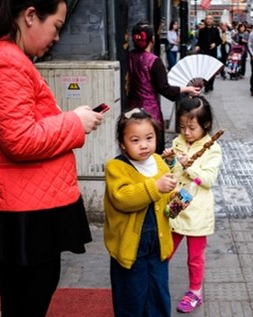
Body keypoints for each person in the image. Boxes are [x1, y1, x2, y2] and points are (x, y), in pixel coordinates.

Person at [0, 1, 104, 316]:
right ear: (30, 16)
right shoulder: (7, 62)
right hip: (28, 210)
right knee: (29, 300)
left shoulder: (11, 58)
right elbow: (19, 139)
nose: (57, 37)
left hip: (30, 204)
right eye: (56, 26)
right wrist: (74, 121)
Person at [103, 108, 178, 316]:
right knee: (131, 297)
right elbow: (122, 198)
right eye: (135, 140)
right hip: (131, 249)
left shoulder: (160, 162)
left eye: (149, 138)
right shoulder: (116, 167)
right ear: (122, 143)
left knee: (159, 293)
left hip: (158, 245)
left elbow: (165, 195)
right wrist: (156, 187)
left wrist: (175, 200)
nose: (144, 145)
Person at [162, 96, 222, 313]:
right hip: (178, 204)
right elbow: (172, 173)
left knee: (195, 257)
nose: (186, 132)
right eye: (182, 127)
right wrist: (169, 160)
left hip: (198, 209)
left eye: (191, 127)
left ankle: (195, 291)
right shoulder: (178, 141)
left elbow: (208, 180)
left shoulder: (212, 149)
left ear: (205, 125)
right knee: (165, 250)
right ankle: (156, 283)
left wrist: (190, 167)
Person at [128, 22, 200, 154]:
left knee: (135, 149)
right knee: (154, 151)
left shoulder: (128, 57)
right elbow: (165, 89)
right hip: (151, 113)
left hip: (131, 111)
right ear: (153, 39)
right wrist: (186, 89)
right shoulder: (154, 61)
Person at [195, 15, 222, 93]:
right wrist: (198, 47)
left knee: (212, 70)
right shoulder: (202, 30)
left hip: (213, 53)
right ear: (205, 20)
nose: (209, 20)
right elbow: (199, 42)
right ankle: (206, 85)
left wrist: (215, 44)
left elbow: (219, 40)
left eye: (210, 19)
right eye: (207, 19)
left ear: (212, 20)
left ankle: (211, 84)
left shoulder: (216, 30)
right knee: (205, 70)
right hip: (204, 53)